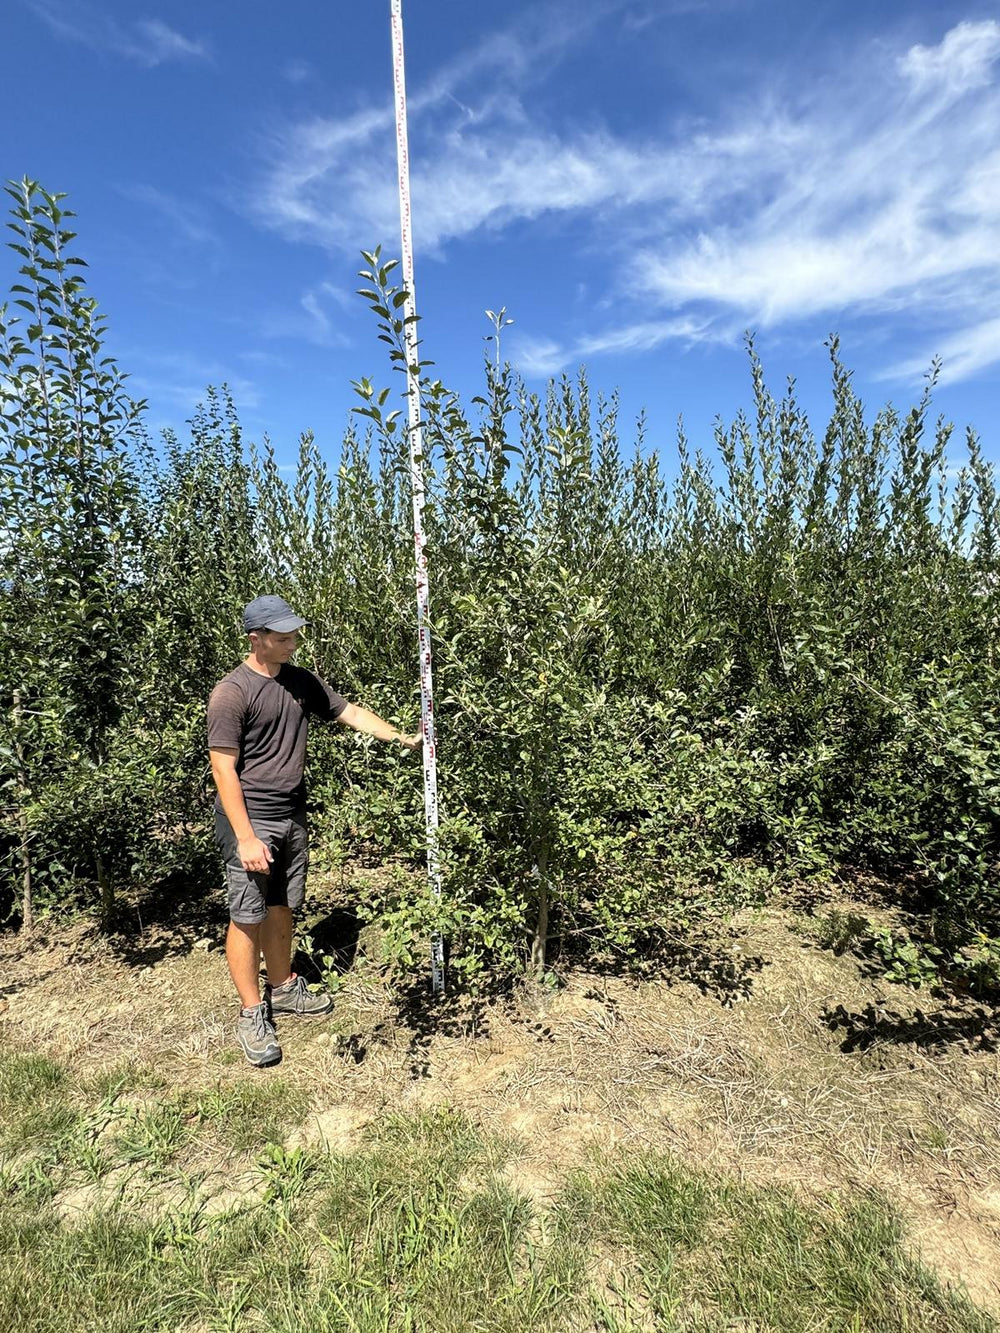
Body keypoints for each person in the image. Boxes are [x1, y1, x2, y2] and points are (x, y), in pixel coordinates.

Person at [208, 594, 421, 1066]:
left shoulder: (301, 681)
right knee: (247, 913)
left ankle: (283, 987)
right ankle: (251, 1013)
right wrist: (245, 836)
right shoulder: (232, 692)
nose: (293, 644)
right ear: (255, 639)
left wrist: (401, 737)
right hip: (251, 817)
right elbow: (223, 769)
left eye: (295, 636)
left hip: (292, 814)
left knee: (283, 903)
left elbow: (351, 713)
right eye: (283, 638)